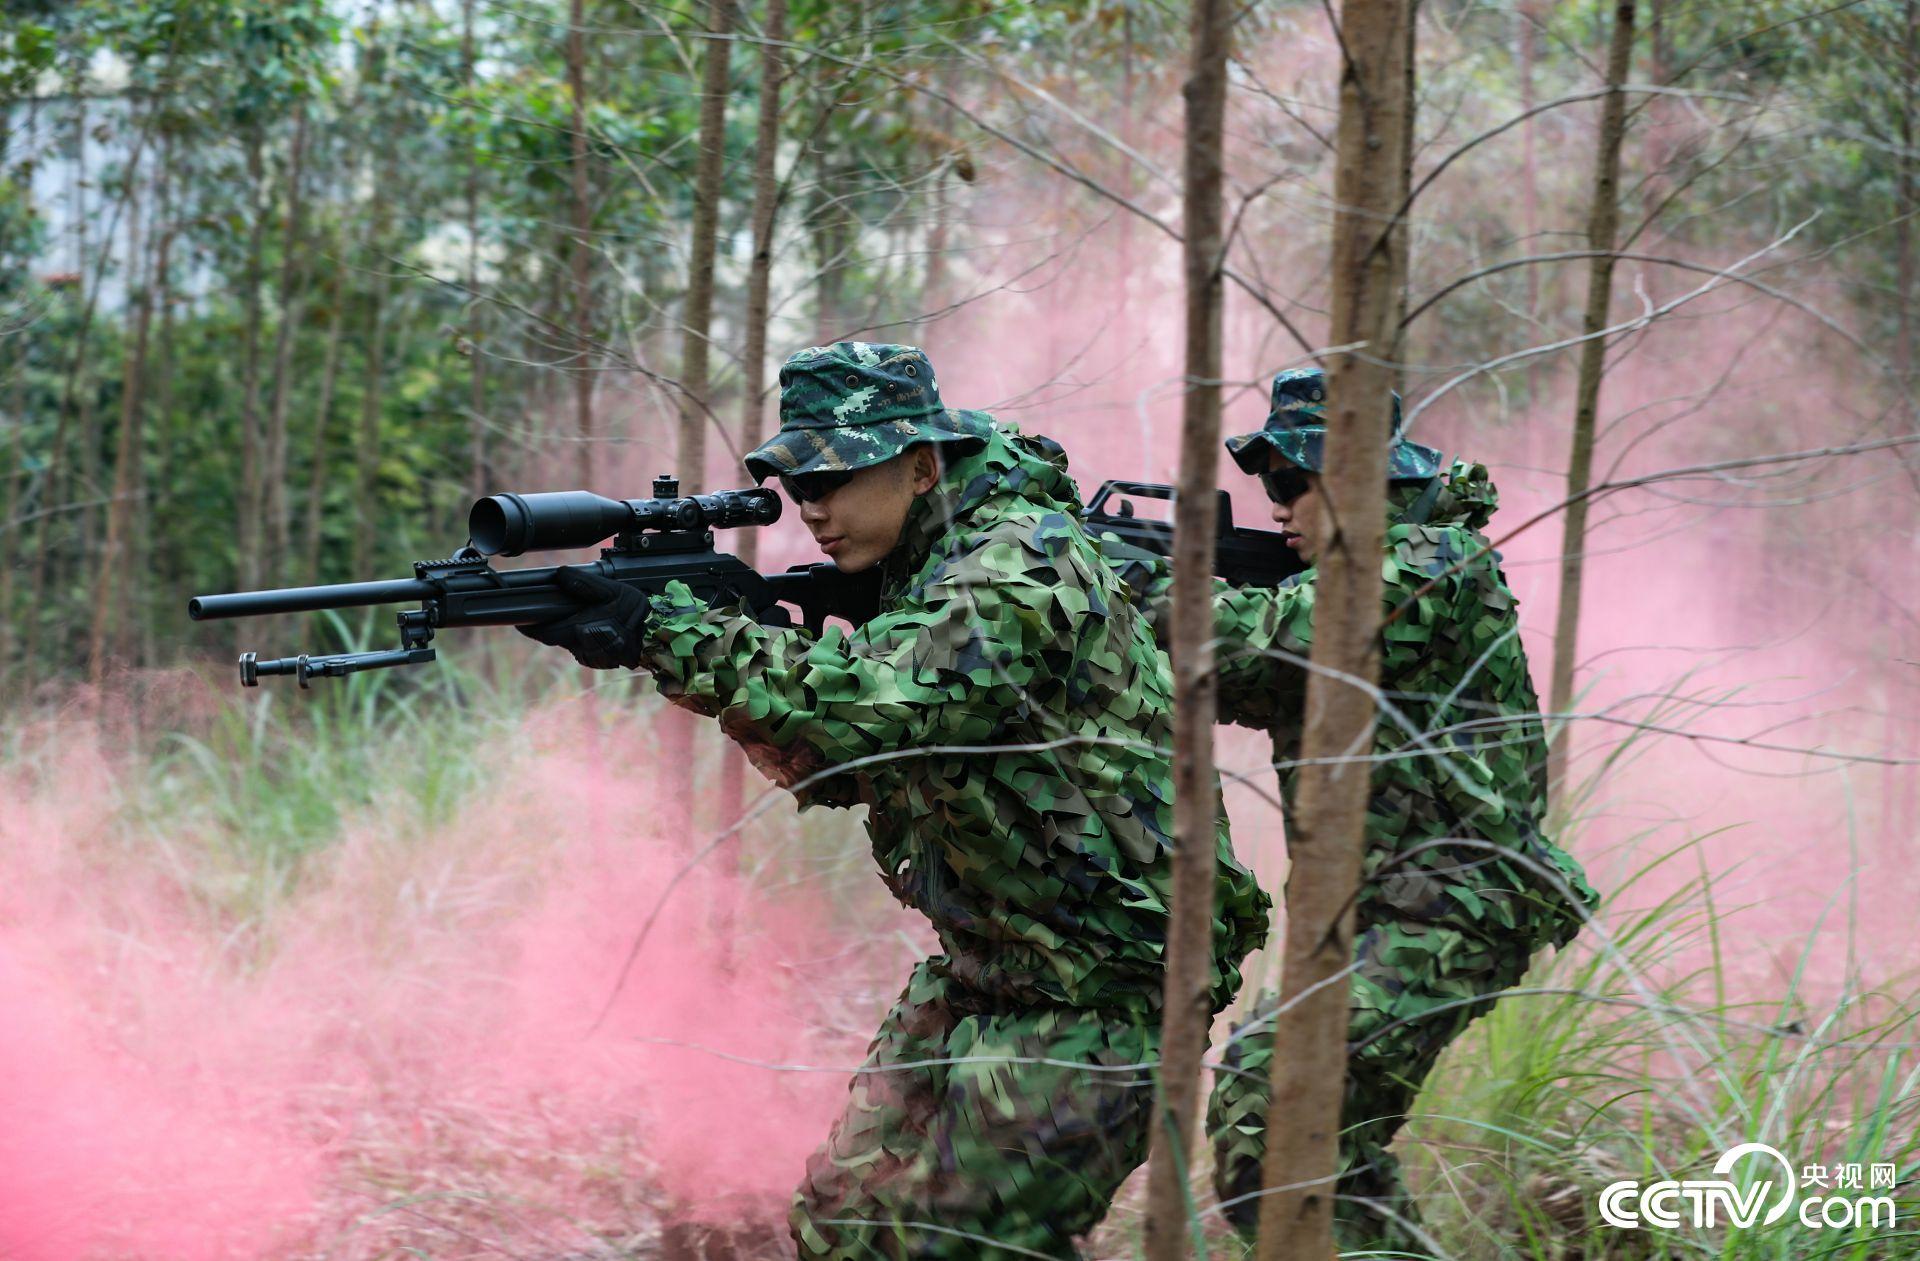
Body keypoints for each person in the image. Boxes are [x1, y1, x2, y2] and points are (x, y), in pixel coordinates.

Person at [519, 341, 1271, 1259]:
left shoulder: (1023, 562)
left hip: (1107, 990)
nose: (816, 507)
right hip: (990, 968)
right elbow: (844, 768)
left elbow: (875, 706)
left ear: (922, 465)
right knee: (843, 1226)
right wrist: (674, 651)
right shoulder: (920, 577)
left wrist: (670, 630)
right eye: (800, 486)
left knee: (956, 1242)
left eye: (837, 475)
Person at [1175, 367, 1603, 1250]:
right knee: (1326, 1142)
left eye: (1299, 481)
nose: (1280, 505)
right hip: (1389, 911)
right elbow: (1246, 676)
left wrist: (1141, 600)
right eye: (1273, 484)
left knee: (1272, 1105)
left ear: (1368, 477)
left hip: (1459, 903)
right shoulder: (1345, 575)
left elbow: (1282, 642)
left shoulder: (1434, 560)